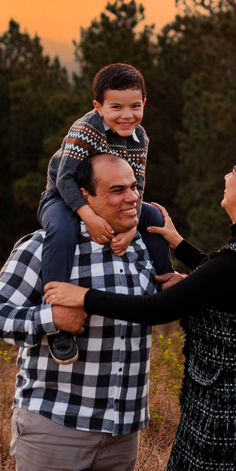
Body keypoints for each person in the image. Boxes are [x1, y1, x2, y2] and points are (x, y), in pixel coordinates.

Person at [44, 146, 236, 471]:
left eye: (235, 172)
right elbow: (219, 279)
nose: (227, 177)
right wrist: (179, 244)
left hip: (227, 417)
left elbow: (157, 309)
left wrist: (83, 297)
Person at [0, 153, 159, 471]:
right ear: (83, 196)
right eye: (117, 190)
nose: (132, 197)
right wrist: (51, 320)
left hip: (123, 427)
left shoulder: (142, 246)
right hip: (57, 422)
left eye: (134, 187)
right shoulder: (45, 247)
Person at [37, 62, 172, 364]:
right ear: (98, 106)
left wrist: (130, 228)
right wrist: (90, 217)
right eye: (116, 107)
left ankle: (165, 282)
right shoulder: (86, 129)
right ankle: (58, 316)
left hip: (110, 200)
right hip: (62, 197)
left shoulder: (140, 139)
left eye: (135, 106)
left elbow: (136, 187)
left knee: (154, 216)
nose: (127, 115)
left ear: (144, 104)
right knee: (62, 230)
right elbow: (65, 179)